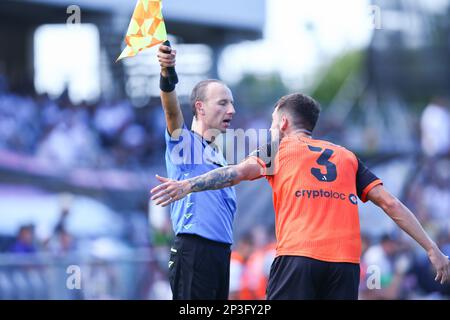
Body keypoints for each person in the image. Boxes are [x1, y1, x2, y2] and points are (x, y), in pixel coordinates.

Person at [151, 93, 450, 299]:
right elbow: (391, 203)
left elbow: (235, 173)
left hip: (298, 259)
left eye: (272, 122)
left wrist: (188, 186)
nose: (270, 128)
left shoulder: (275, 150)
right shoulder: (347, 157)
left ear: (283, 124)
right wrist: (432, 249)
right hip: (345, 265)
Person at [155, 43, 237, 300]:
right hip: (195, 250)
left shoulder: (219, 156)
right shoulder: (186, 144)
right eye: (222, 103)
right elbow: (171, 109)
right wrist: (167, 73)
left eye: (232, 104)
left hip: (220, 254)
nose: (231, 110)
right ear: (200, 107)